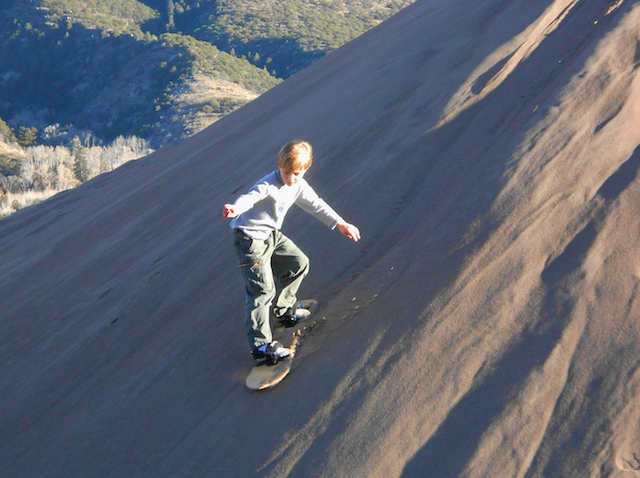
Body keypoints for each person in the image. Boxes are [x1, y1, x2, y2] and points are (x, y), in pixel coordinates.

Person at [222, 140, 360, 364]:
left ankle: (284, 310)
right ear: (279, 165)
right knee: (262, 292)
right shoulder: (269, 184)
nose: (291, 178)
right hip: (250, 240)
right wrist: (236, 208)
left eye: (297, 173)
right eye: (287, 172)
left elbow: (316, 204)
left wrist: (340, 224)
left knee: (299, 263)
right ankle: (261, 347)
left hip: (270, 235)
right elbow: (251, 197)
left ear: (305, 170)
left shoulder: (299, 185)